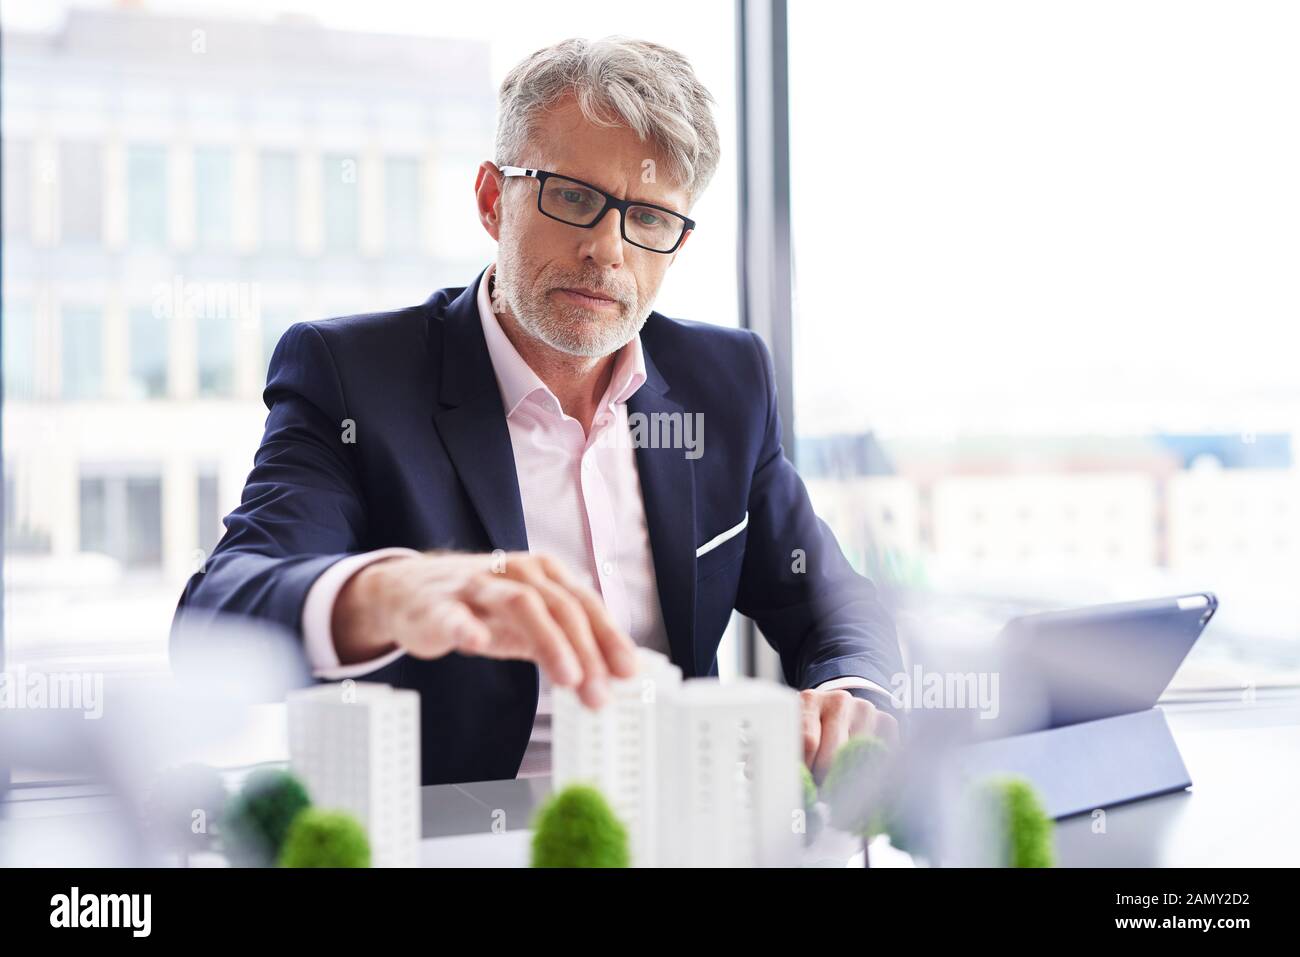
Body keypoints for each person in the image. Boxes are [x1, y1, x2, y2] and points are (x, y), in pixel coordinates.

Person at [173, 37, 903, 786]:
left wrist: (851, 697)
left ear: (677, 242)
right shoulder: (355, 378)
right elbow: (216, 620)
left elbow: (832, 600)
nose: (606, 250)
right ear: (494, 199)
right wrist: (387, 591)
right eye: (574, 198)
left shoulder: (726, 382)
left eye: (648, 217)